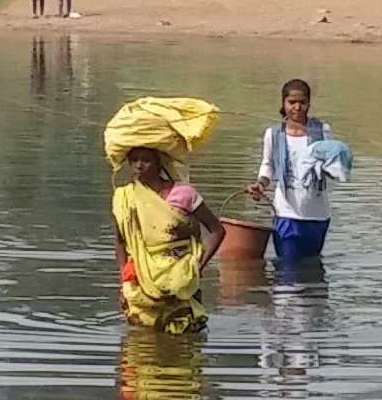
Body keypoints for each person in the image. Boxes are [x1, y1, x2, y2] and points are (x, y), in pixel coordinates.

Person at [113, 147, 226, 334]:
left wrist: (198, 266)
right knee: (142, 341)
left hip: (181, 276)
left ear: (160, 163)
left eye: (146, 160)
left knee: (185, 332)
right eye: (134, 160)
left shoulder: (184, 194)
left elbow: (217, 230)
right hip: (141, 278)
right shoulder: (125, 198)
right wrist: (123, 281)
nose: (139, 166)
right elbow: (120, 241)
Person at [248, 79, 337, 265]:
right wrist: (261, 184)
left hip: (317, 215)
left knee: (310, 268)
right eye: (292, 102)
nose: (297, 107)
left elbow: (330, 168)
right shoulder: (273, 134)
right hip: (286, 214)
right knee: (287, 271)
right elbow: (268, 165)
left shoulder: (323, 131)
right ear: (283, 103)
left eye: (302, 102)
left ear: (309, 104)